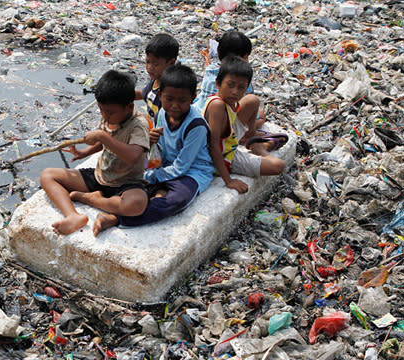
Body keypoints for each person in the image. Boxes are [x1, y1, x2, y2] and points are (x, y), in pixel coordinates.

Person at [74, 64, 215, 235]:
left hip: (192, 172)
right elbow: (160, 150)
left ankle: (115, 217)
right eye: (169, 99)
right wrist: (152, 145)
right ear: (160, 95)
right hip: (165, 166)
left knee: (175, 201)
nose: (175, 105)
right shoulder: (163, 113)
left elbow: (182, 167)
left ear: (193, 98)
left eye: (182, 100)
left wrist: (150, 175)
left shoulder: (196, 126)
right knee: (143, 190)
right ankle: (117, 204)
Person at [39, 70, 150, 235]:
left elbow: (133, 156)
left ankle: (91, 199)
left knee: (137, 205)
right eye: (101, 110)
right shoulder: (109, 116)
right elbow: (103, 143)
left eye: (110, 112)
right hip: (101, 176)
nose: (105, 115)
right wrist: (85, 152)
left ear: (129, 107)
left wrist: (103, 137)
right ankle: (73, 216)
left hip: (126, 183)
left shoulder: (138, 125)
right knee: (47, 176)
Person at [203, 56, 286, 194]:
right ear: (218, 83)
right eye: (230, 85)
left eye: (241, 88)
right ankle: (261, 150)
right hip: (224, 156)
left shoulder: (228, 103)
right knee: (278, 166)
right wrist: (228, 180)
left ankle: (251, 138)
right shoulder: (217, 105)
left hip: (229, 140)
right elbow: (213, 146)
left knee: (253, 100)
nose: (235, 92)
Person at [194, 30, 264, 138]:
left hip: (202, 114)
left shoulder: (210, 69)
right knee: (259, 113)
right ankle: (246, 136)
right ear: (244, 57)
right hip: (222, 124)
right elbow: (246, 101)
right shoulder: (240, 77)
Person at [136, 33, 179, 125]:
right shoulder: (155, 80)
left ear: (171, 63)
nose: (149, 67)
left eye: (155, 64)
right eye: (147, 62)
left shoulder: (169, 91)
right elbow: (143, 94)